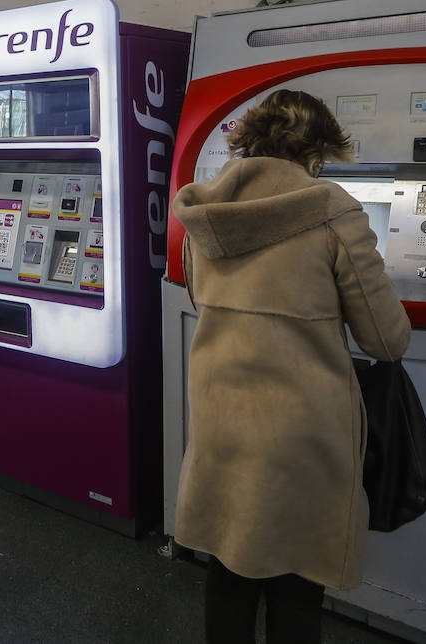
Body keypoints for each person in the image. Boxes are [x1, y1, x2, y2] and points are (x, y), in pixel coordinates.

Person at [171, 89, 412, 644]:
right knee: (297, 583)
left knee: (229, 570)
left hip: (221, 417)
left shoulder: (203, 210)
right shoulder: (332, 210)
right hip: (302, 429)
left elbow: (197, 299)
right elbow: (386, 339)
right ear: (318, 150)